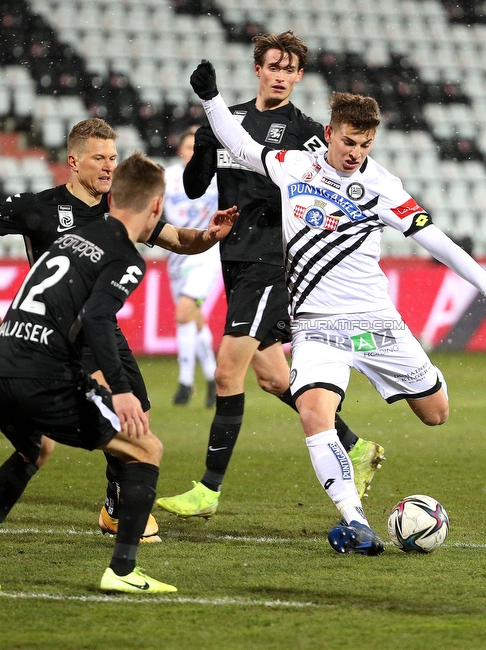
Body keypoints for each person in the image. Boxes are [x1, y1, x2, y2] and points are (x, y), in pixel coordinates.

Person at [187, 60, 486, 554]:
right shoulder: (295, 165)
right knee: (314, 412)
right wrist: (211, 100)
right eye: (349, 142)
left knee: (436, 413)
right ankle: (355, 521)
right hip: (315, 326)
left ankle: (406, 404)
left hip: (373, 324)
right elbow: (242, 144)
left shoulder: (381, 186)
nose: (356, 153)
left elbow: (436, 240)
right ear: (330, 133)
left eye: (365, 145)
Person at [0, 118, 237, 543]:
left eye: (113, 158)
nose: (109, 167)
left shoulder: (120, 209)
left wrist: (210, 236)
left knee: (137, 408)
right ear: (73, 161)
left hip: (102, 328)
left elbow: (178, 239)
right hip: (60, 335)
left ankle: (111, 505)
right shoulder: (38, 206)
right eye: (99, 158)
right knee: (115, 420)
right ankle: (126, 525)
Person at [157, 32, 384, 519]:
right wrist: (203, 146)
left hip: (273, 263)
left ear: (299, 77)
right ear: (258, 68)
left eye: (290, 69)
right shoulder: (226, 119)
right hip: (234, 261)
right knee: (274, 378)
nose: (281, 75)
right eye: (273, 66)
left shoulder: (306, 132)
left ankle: (209, 490)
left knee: (224, 371)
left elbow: (324, 193)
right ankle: (356, 445)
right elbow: (197, 189)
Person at [0, 153, 181, 593]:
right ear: (155, 208)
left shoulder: (68, 240)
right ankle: (122, 571)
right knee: (147, 449)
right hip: (43, 374)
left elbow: (34, 304)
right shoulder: (125, 258)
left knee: (35, 449)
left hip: (3, 364)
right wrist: (121, 391)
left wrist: (1, 383)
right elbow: (96, 320)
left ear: (113, 196)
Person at [163, 125, 221, 408]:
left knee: (185, 312)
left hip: (206, 252)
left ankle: (185, 382)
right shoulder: (168, 176)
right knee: (193, 317)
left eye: (198, 148)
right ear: (180, 150)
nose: (193, 153)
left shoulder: (219, 178)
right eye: (189, 147)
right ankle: (213, 377)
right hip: (176, 254)